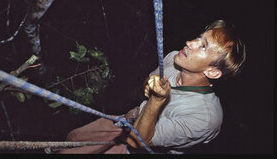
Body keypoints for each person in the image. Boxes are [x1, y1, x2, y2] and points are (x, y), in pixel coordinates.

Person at [59, 20, 246, 154]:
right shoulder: (174, 59)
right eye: (198, 37)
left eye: (203, 46)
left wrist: (157, 100)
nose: (190, 43)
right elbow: (147, 82)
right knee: (73, 140)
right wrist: (148, 89)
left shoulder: (205, 117)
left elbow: (140, 141)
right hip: (131, 118)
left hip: (145, 148)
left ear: (213, 72)